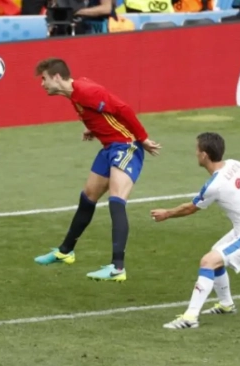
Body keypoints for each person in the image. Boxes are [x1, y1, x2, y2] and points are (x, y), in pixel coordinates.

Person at [33, 58, 161, 281]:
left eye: (43, 79)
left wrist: (143, 138)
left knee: (116, 200)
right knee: (88, 197)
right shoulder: (75, 92)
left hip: (126, 146)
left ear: (56, 77)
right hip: (109, 147)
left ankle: (117, 268)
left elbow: (122, 109)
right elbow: (96, 108)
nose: (42, 84)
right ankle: (65, 252)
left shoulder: (86, 92)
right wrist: (92, 127)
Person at [151, 132, 240, 329]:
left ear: (204, 155)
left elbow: (191, 208)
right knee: (215, 254)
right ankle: (226, 304)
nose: (195, 153)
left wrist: (167, 213)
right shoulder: (235, 164)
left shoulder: (215, 185)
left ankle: (190, 318)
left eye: (197, 150)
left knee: (208, 261)